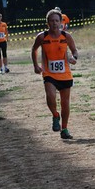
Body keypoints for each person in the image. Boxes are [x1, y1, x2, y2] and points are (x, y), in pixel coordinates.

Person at [31, 9, 78, 139]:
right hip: (49, 73)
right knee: (50, 96)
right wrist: (35, 65)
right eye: (52, 21)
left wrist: (74, 58)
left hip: (65, 74)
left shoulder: (66, 36)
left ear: (61, 22)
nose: (54, 23)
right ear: (48, 23)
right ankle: (55, 115)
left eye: (57, 21)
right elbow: (34, 49)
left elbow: (74, 51)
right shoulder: (42, 37)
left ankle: (65, 129)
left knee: (65, 103)